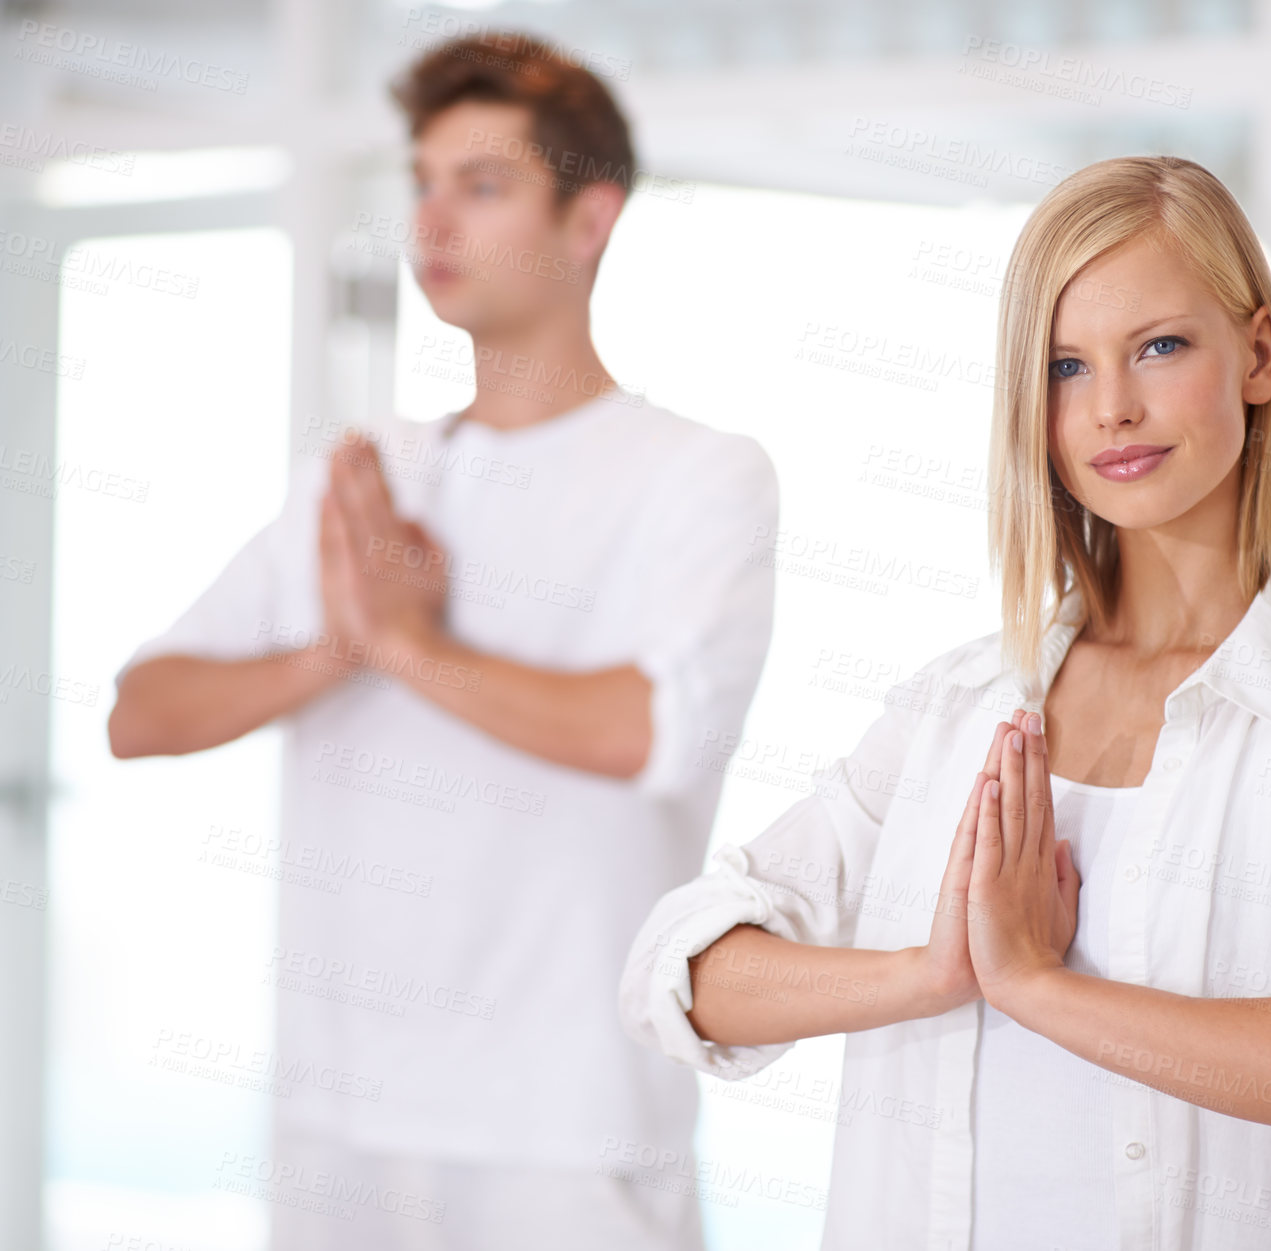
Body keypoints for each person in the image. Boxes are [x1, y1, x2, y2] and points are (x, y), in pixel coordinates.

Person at [619, 154, 1271, 1250]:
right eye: (1065, 367)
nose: (1112, 409)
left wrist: (1036, 985)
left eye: (1159, 347)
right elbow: (679, 973)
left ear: (1258, 355)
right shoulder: (953, 708)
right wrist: (928, 973)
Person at [108, 30, 777, 1251]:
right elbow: (138, 712)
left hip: (568, 1125)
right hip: (344, 1114)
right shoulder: (366, 481)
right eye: (421, 181)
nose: (435, 221)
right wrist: (340, 648)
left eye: (482, 184)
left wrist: (409, 642)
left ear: (590, 220)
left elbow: (649, 731)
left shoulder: (698, 475)